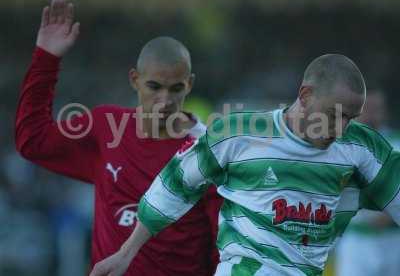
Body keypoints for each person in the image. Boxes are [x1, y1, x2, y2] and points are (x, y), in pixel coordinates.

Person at [90, 54, 400, 276]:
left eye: (350, 117)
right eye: (334, 114)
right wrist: (126, 253)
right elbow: (175, 183)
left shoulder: (363, 147)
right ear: (305, 95)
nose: (342, 128)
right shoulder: (238, 133)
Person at [15, 0, 222, 275]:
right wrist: (46, 58)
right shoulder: (105, 129)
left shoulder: (208, 152)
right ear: (134, 79)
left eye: (176, 89)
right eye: (154, 86)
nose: (165, 99)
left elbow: (223, 243)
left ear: (190, 85)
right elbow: (33, 141)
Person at [335, 90, 400, 276]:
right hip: (355, 239)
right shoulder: (339, 144)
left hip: (394, 239)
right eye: (366, 109)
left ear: (384, 111)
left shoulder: (397, 142)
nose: (372, 115)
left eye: (376, 109)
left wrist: (390, 213)